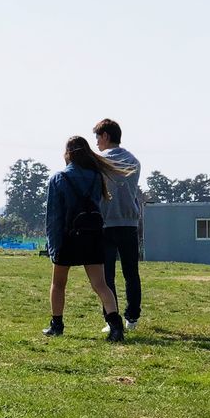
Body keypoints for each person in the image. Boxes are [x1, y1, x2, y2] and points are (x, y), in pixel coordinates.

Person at [43, 135, 131, 342]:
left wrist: (53, 245)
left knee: (58, 284)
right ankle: (115, 326)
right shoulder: (96, 176)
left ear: (68, 154)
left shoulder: (59, 178)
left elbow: (53, 216)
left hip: (68, 237)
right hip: (93, 236)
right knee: (101, 284)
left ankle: (57, 325)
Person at [93, 118, 142, 332]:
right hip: (129, 223)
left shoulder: (97, 161)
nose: (96, 143)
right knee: (131, 272)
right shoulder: (133, 160)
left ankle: (111, 318)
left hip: (105, 224)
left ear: (105, 136)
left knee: (107, 276)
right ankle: (132, 316)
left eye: (97, 137)